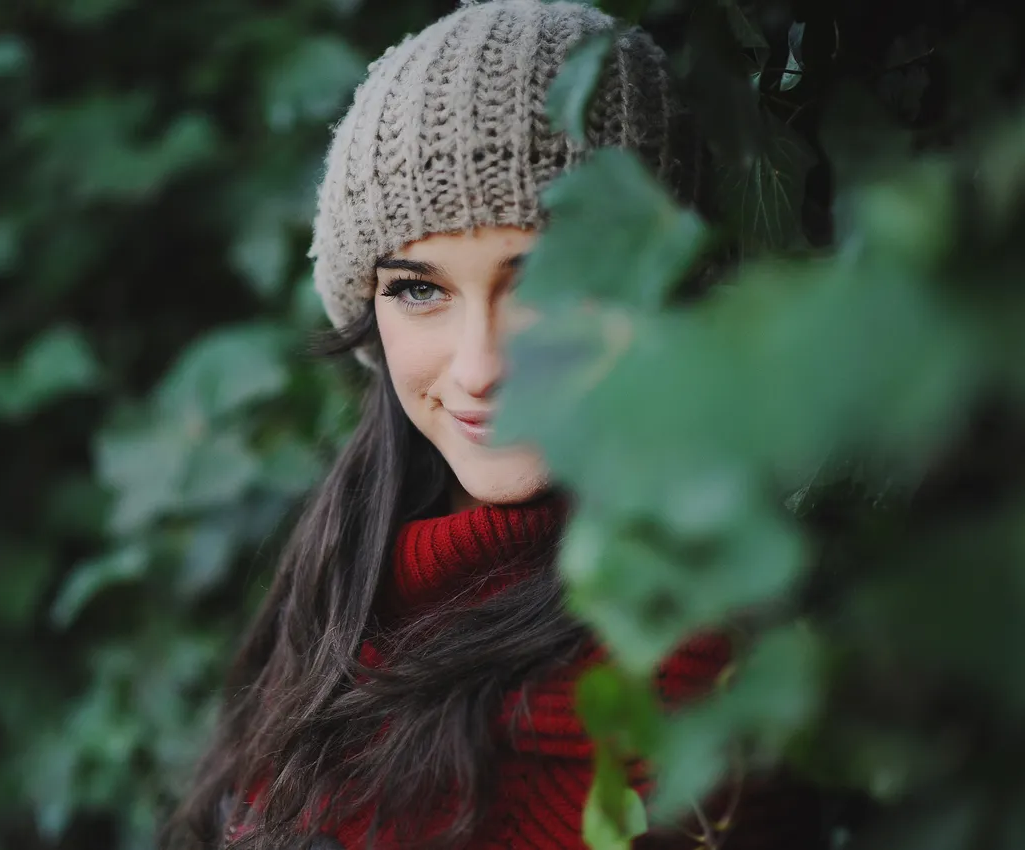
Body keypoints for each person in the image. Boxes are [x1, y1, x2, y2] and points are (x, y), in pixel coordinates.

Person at [163, 1, 826, 847]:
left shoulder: (707, 696)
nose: (481, 367)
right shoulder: (344, 590)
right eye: (419, 289)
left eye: (545, 279)